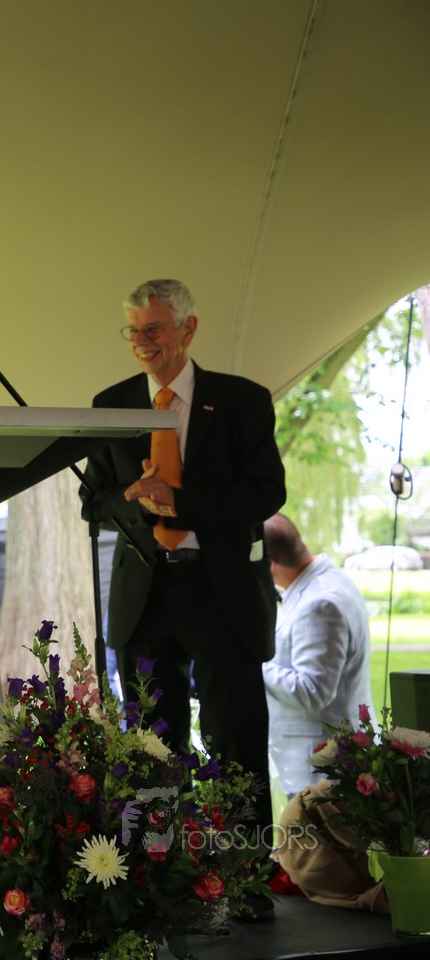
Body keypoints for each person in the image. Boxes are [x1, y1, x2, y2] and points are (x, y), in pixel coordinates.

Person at [80, 278, 285, 915]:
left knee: (235, 739)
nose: (142, 342)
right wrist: (138, 504)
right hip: (146, 590)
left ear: (188, 330)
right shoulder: (111, 404)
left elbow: (266, 492)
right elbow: (94, 500)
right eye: (133, 330)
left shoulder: (242, 400)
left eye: (155, 329)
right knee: (151, 746)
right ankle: (158, 880)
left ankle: (245, 881)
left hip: (221, 591)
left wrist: (181, 501)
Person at [262, 513, 373, 796]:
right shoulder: (328, 581)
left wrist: (252, 664)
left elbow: (313, 691)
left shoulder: (319, 603)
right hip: (321, 761)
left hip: (321, 769)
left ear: (269, 563)